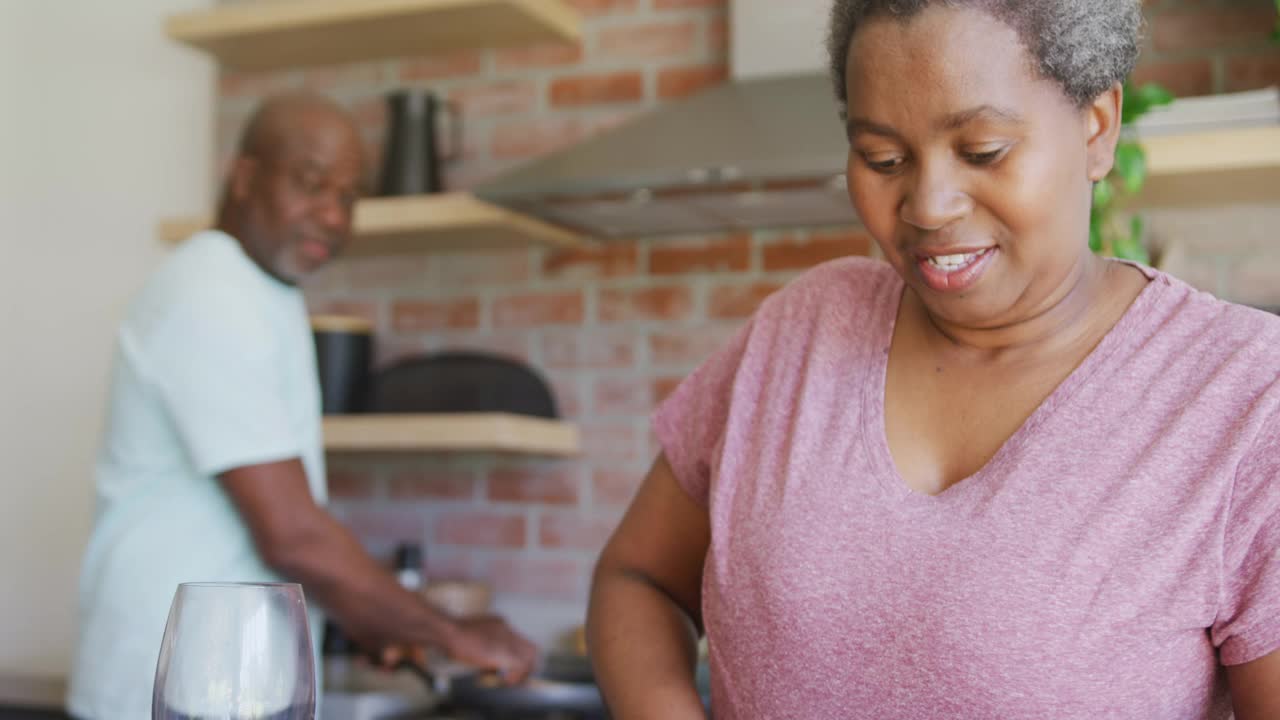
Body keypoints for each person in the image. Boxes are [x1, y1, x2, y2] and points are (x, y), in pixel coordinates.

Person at [587, 1, 1280, 718]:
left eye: (982, 149)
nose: (928, 205)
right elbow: (637, 577)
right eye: (882, 158)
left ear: (1097, 127)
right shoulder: (801, 330)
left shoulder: (1248, 399)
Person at [68, 92, 536, 719]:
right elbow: (292, 533)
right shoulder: (209, 289)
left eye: (348, 197)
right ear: (245, 177)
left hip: (226, 681)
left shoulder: (263, 293)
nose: (334, 216)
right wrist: (448, 631)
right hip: (171, 690)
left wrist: (380, 622)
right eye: (312, 185)